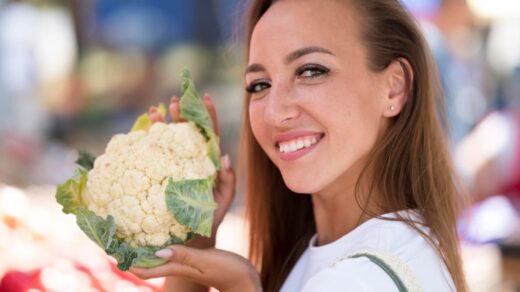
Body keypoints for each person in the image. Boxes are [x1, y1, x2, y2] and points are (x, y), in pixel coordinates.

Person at [129, 0, 468, 291]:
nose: (275, 113)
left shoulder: (359, 280)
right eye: (259, 85)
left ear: (394, 88)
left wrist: (242, 286)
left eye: (310, 71)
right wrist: (196, 235)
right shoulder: (346, 250)